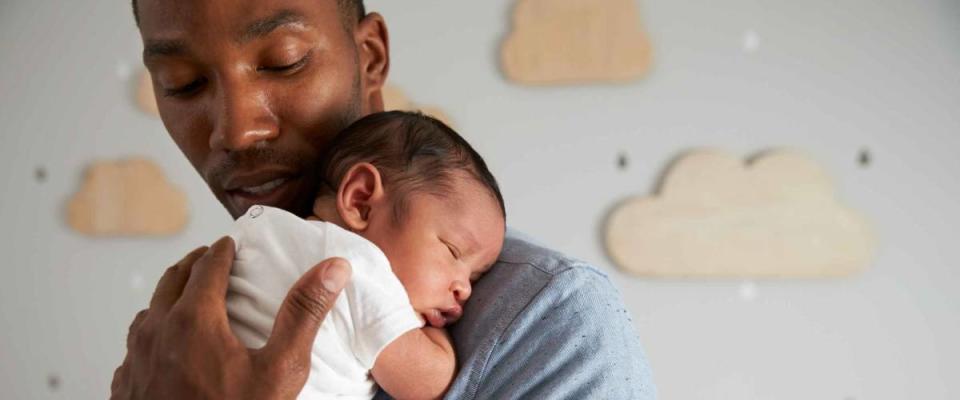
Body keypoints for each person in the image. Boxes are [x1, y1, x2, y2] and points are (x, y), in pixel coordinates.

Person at [112, 0, 656, 399]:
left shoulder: (550, 321)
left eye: (283, 61)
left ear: (369, 56)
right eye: (181, 83)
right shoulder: (185, 318)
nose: (234, 131)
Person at [227, 111, 506, 399]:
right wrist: (432, 335)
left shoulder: (258, 230)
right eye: (453, 250)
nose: (465, 288)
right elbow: (430, 383)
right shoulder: (359, 267)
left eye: (475, 276)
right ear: (361, 201)